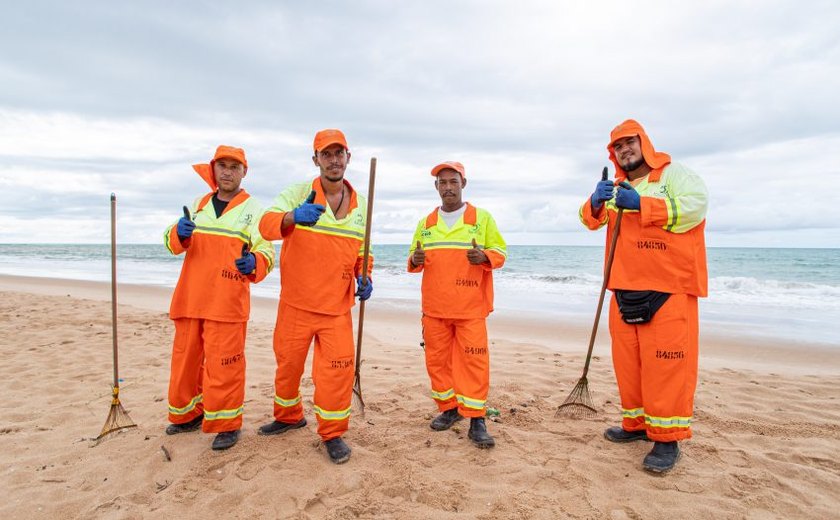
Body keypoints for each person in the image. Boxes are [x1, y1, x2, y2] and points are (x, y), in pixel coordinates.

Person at [579, 119, 709, 473]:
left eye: (629, 142)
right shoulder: (617, 186)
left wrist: (642, 206)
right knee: (630, 365)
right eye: (617, 146)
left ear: (644, 143)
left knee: (667, 366)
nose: (624, 150)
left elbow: (697, 205)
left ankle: (667, 440)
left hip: (669, 288)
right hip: (623, 286)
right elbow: (591, 220)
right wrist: (593, 201)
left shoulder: (673, 175)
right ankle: (635, 424)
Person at [257, 129, 372, 464]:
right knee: (288, 366)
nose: (333, 160)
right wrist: (294, 217)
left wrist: (364, 275)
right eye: (326, 154)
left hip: (337, 306)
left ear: (348, 158)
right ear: (315, 159)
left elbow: (363, 252)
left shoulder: (363, 205)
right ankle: (288, 416)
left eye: (339, 154)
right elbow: (265, 226)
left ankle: (333, 434)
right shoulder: (297, 193)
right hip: (296, 302)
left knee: (337, 371)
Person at [163, 145, 275, 451]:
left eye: (234, 166)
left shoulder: (256, 210)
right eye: (222, 165)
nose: (227, 171)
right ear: (213, 169)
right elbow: (170, 244)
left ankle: (227, 424)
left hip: (227, 303)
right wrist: (179, 232)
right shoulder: (197, 204)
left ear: (244, 172)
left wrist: (255, 262)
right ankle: (187, 415)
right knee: (185, 361)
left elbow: (267, 251)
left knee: (225, 364)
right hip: (190, 297)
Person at [407, 161, 507, 449]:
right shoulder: (425, 223)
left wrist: (484, 256)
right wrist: (415, 260)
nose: (448, 187)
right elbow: (413, 258)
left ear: (463, 184)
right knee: (437, 362)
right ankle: (449, 409)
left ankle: (476, 419)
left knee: (474, 361)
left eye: (453, 181)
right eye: (443, 182)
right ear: (436, 187)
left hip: (470, 309)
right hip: (434, 309)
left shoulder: (482, 218)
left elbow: (500, 252)